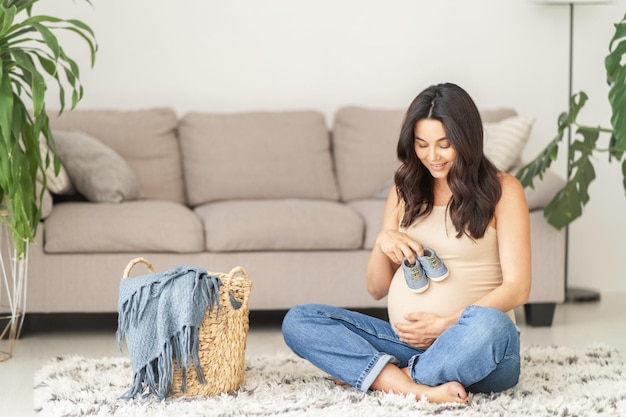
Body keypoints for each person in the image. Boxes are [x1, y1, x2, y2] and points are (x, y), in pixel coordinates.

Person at [281, 82, 531, 405]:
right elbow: (376, 287)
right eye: (422, 144)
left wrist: (444, 325)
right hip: (406, 341)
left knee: (491, 327)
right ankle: (416, 387)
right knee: (300, 321)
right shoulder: (405, 190)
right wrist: (383, 241)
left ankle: (387, 378)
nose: (432, 156)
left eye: (444, 144)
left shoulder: (504, 191)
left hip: (477, 346)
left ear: (467, 140)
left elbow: (518, 288)